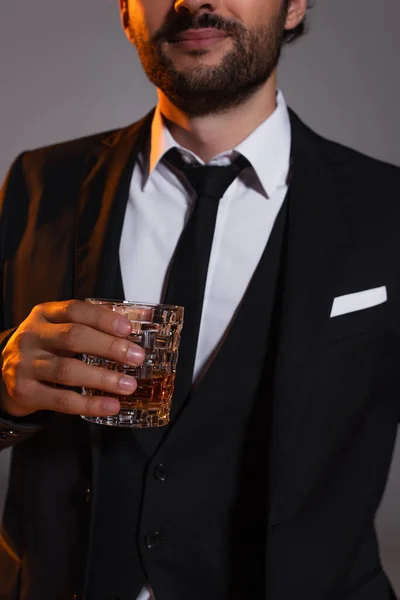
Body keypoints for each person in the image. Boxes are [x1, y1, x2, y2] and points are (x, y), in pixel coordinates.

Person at [0, 0, 399, 598]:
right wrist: (4, 393)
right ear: (125, 10)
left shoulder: (386, 209)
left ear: (294, 6)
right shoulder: (39, 182)